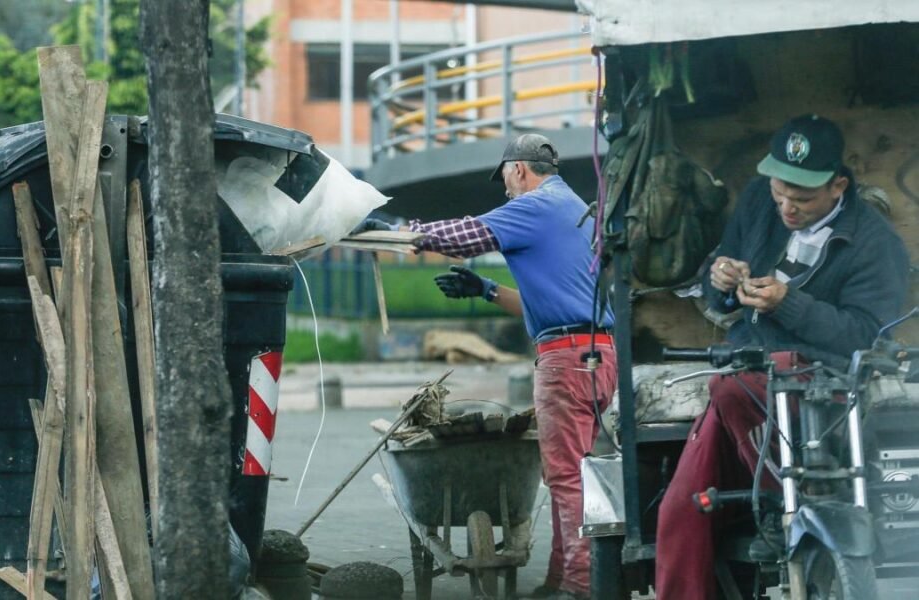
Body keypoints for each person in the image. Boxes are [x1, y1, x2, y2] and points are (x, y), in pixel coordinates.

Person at [654, 114, 910, 599]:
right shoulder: (757, 200)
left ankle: (778, 502)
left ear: (838, 186)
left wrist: (787, 303)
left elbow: (862, 334)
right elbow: (720, 282)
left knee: (731, 387)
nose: (787, 208)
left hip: (819, 389)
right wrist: (722, 277)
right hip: (746, 373)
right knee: (681, 512)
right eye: (780, 194)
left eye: (803, 198)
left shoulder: (878, 246)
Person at [355, 133, 616, 600]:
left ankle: (581, 586)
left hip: (566, 362)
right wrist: (486, 290)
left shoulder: (536, 205)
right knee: (576, 472)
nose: (506, 191)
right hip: (595, 354)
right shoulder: (572, 208)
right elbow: (551, 304)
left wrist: (401, 232)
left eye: (506, 181)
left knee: (566, 477)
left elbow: (465, 235)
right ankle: (562, 577)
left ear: (518, 169)